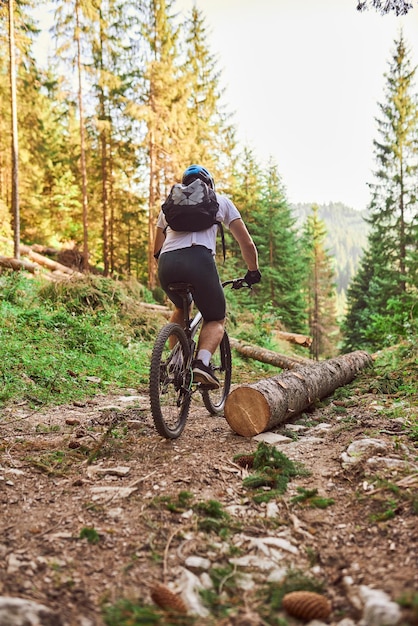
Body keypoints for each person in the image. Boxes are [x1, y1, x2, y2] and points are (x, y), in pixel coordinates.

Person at [153, 164, 261, 389]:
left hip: (167, 263)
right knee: (215, 317)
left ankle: (176, 361)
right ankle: (201, 364)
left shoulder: (170, 205)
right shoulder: (221, 201)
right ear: (209, 185)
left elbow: (156, 248)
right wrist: (253, 271)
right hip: (199, 261)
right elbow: (247, 244)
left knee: (181, 308)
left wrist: (168, 266)